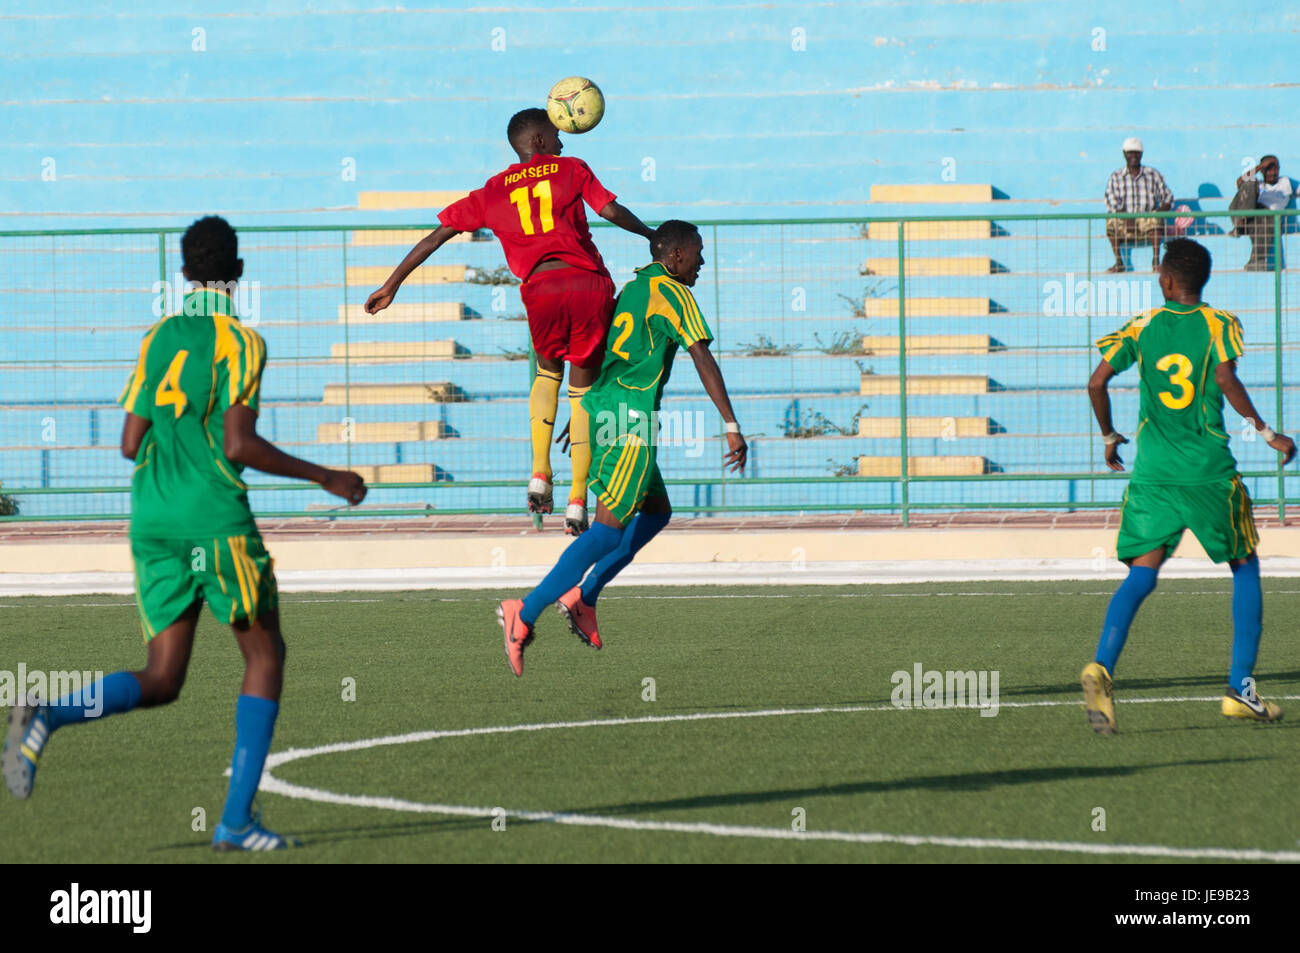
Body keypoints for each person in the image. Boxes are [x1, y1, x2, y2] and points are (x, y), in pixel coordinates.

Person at [1, 217, 367, 850]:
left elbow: (128, 441)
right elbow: (239, 442)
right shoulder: (241, 340)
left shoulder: (159, 336)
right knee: (264, 656)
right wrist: (328, 475)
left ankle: (46, 713)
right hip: (212, 519)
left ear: (184, 272)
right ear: (240, 272)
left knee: (164, 678)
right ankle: (235, 821)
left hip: (152, 519)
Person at [364, 108, 656, 535]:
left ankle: (540, 471)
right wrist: (650, 234)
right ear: (538, 141)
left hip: (540, 289)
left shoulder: (493, 190)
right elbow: (610, 211)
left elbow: (435, 236)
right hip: (587, 283)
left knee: (546, 373)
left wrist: (392, 285)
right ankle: (578, 499)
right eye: (556, 134)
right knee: (583, 392)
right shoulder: (571, 169)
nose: (563, 142)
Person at [496, 221, 746, 675]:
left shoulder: (631, 290)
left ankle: (583, 598)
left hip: (609, 408)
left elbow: (607, 355)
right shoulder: (674, 294)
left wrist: (584, 412)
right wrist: (731, 423)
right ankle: (524, 612)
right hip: (631, 422)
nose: (702, 261)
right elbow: (702, 356)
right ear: (674, 257)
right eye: (697, 253)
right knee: (608, 530)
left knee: (656, 513)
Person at [1082, 237, 1295, 735]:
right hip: (1207, 474)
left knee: (1143, 573)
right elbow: (1225, 378)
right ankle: (1240, 689)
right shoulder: (1219, 324)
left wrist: (1110, 436)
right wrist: (1267, 432)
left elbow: (1096, 383)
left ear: (1165, 281)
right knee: (1244, 565)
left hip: (1153, 474)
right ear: (1201, 281)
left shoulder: (1144, 325)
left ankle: (1102, 668)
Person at [1104, 137, 1174, 273]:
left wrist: (1158, 212)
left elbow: (1168, 198)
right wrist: (1127, 217)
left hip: (1146, 221)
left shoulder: (1152, 174)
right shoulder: (1116, 177)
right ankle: (1119, 262)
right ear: (1124, 154)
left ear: (1141, 154)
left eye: (1137, 152)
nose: (1133, 156)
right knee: (1110, 220)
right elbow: (1111, 202)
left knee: (1155, 217)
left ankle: (1155, 261)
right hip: (1125, 223)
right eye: (1130, 152)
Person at [1231, 155, 1294, 271]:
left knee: (1268, 218)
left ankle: (1255, 262)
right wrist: (1259, 167)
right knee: (1250, 181)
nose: (1273, 172)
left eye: (1276, 168)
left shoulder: (1285, 182)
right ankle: (1241, 222)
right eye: (1269, 169)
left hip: (1265, 221)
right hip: (1246, 214)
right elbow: (1239, 182)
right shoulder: (1257, 184)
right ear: (1262, 170)